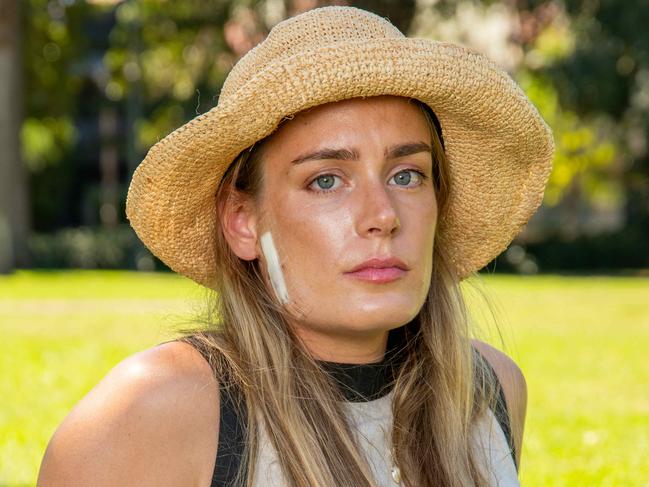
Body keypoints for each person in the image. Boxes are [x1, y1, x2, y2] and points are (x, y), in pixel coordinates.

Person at [37, 6, 554, 487]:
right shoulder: (151, 413)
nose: (383, 216)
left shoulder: (490, 391)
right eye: (326, 180)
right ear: (242, 222)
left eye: (406, 174)